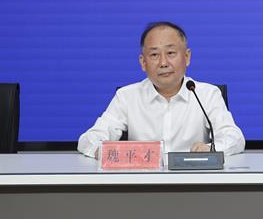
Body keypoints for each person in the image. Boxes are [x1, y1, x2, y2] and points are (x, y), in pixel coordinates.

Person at [77, 21, 245, 158]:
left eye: (171, 53)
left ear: (187, 57)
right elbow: (88, 140)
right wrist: (103, 151)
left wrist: (211, 149)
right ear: (143, 63)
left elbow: (234, 137)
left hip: (194, 180)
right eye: (154, 55)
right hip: (141, 183)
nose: (163, 63)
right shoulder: (127, 96)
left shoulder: (207, 94)